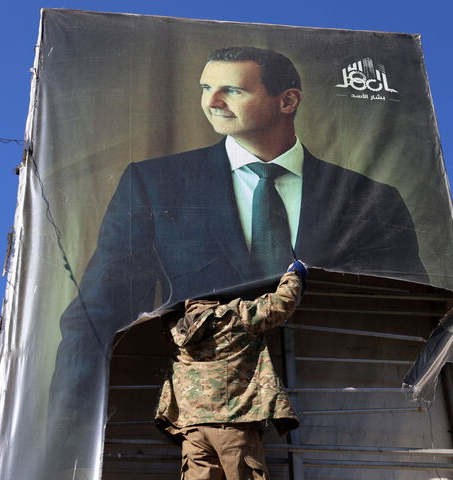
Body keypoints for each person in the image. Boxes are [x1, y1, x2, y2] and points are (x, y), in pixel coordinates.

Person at [48, 46, 428, 472]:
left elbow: (413, 325)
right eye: (206, 88)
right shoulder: (155, 186)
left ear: (288, 101)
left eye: (231, 90)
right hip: (198, 431)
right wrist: (66, 445)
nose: (211, 102)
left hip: (348, 440)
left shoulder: (372, 201)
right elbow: (94, 319)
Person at [155, 260, 307, 479]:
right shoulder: (238, 316)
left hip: (193, 429)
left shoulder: (175, 326)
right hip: (234, 425)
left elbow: (162, 302)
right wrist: (296, 273)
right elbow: (283, 302)